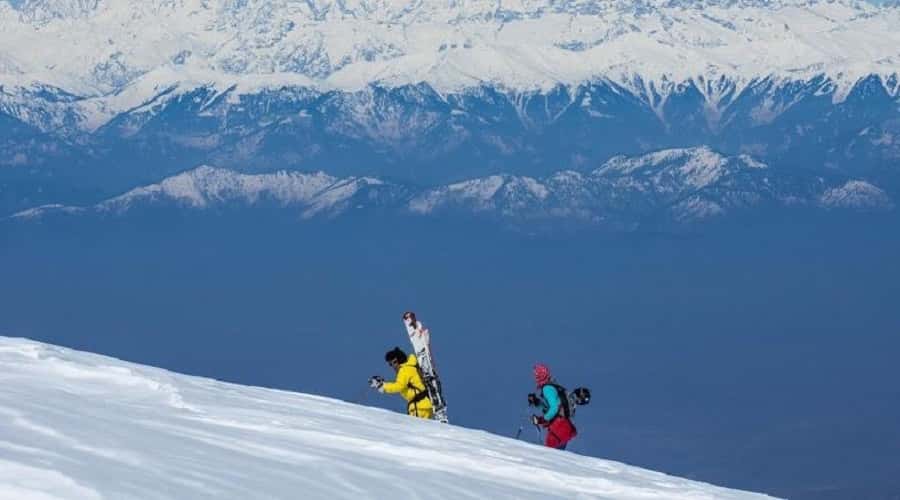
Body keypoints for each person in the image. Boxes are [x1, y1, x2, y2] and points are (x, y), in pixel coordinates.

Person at [369, 347, 434, 419]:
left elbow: (399, 386)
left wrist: (383, 386)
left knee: (415, 429)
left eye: (394, 362)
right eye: (390, 364)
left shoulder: (404, 370)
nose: (393, 366)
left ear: (400, 360)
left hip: (418, 406)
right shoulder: (412, 367)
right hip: (425, 405)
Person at [528, 363, 577, 450]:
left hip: (558, 427)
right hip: (565, 427)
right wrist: (537, 402)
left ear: (540, 376)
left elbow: (554, 408)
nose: (535, 377)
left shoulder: (547, 389)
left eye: (536, 375)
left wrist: (542, 419)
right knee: (557, 457)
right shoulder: (553, 385)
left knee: (550, 456)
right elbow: (552, 406)